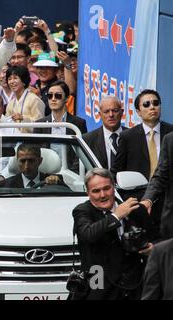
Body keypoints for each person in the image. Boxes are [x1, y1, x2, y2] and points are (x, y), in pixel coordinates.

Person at [72, 168, 155, 300]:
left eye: (107, 188)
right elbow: (88, 234)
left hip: (132, 285)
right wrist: (117, 216)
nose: (102, 194)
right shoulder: (82, 211)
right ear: (88, 192)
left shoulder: (135, 209)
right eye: (96, 191)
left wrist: (152, 248)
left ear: (114, 187)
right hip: (98, 285)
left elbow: (157, 238)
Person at [113, 90, 173, 236]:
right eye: (146, 104)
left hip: (167, 200)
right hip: (141, 201)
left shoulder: (170, 134)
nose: (152, 107)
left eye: (155, 103)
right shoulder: (128, 136)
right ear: (138, 112)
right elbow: (117, 170)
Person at [83, 96, 127, 170]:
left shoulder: (133, 137)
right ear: (100, 115)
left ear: (122, 112)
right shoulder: (88, 139)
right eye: (106, 112)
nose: (111, 115)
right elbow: (78, 170)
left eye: (115, 110)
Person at [0, 144, 64, 188]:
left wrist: (57, 183)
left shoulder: (54, 181)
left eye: (31, 161)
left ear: (40, 161)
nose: (26, 166)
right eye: (22, 161)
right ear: (17, 161)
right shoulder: (5, 185)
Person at [4, 66, 45, 132]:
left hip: (31, 141)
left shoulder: (35, 100)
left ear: (24, 81)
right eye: (9, 79)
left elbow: (40, 127)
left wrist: (23, 118)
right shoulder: (10, 104)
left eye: (15, 78)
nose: (12, 81)